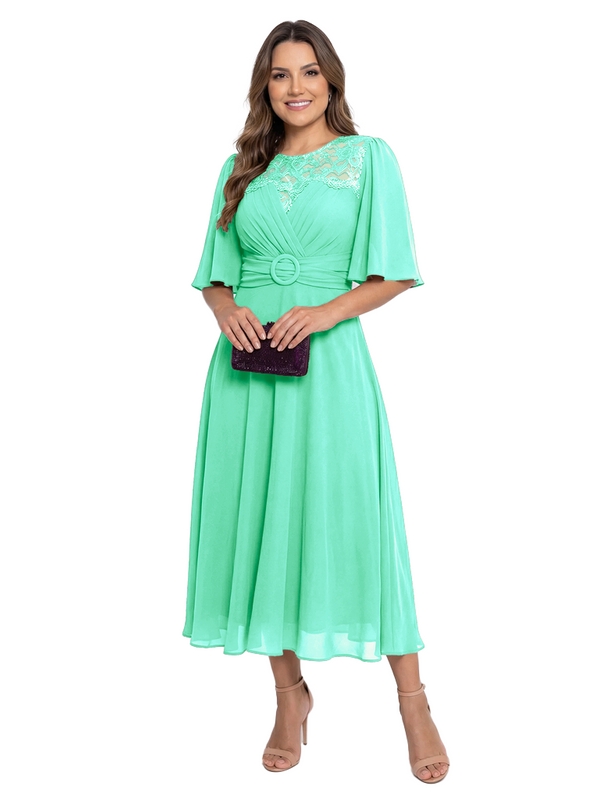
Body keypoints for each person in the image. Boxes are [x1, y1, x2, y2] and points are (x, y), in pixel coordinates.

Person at [182, 19, 450, 784]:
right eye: (279, 74)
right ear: (264, 86)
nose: (294, 87)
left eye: (308, 72)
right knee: (261, 521)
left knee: (361, 520)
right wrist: (226, 311)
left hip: (329, 364)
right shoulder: (242, 166)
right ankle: (288, 695)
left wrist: (326, 312)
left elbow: (397, 271)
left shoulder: (369, 158)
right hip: (244, 370)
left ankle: (413, 701)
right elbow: (213, 275)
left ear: (331, 78)